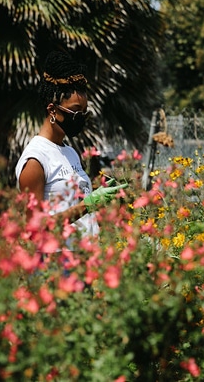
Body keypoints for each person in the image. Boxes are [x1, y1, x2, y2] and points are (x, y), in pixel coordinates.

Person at [15, 50, 125, 250]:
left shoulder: (69, 152)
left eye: (84, 112)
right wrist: (87, 205)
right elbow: (34, 227)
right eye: (75, 111)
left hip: (84, 259)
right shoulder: (35, 160)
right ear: (52, 110)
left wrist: (98, 192)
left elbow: (73, 205)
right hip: (56, 264)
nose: (80, 118)